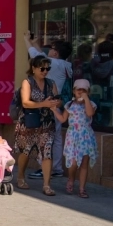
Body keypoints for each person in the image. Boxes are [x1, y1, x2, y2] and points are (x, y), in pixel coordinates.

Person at [14, 56, 60, 196]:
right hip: (29, 122)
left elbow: (58, 99)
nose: (45, 71)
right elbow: (26, 103)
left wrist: (56, 103)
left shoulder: (51, 83)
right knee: (25, 151)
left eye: (47, 68)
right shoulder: (27, 82)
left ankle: (46, 185)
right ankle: (20, 176)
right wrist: (43, 104)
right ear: (33, 68)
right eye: (42, 68)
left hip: (46, 123)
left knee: (47, 152)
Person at [28, 35, 73, 178]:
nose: (49, 51)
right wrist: (35, 43)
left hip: (47, 104)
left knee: (45, 137)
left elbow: (35, 56)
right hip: (58, 104)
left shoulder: (54, 64)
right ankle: (57, 168)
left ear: (55, 53)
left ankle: (45, 168)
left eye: (52, 49)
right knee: (57, 138)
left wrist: (26, 39)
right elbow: (42, 55)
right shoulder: (65, 65)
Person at [62, 79, 97, 198]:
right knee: (73, 163)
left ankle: (82, 188)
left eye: (84, 90)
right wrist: (53, 110)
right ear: (74, 91)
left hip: (85, 136)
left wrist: (86, 99)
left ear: (88, 92)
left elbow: (89, 113)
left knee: (84, 163)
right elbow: (63, 119)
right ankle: (71, 179)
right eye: (78, 89)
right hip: (72, 136)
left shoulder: (91, 104)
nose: (81, 92)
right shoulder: (69, 105)